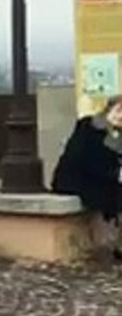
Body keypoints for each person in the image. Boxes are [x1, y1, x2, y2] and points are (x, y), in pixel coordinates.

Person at [52, 96, 122, 259]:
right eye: (118, 110)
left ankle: (118, 242)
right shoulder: (89, 126)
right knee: (114, 194)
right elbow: (82, 158)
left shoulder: (118, 134)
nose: (120, 116)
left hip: (104, 179)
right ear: (108, 110)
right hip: (78, 179)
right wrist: (114, 173)